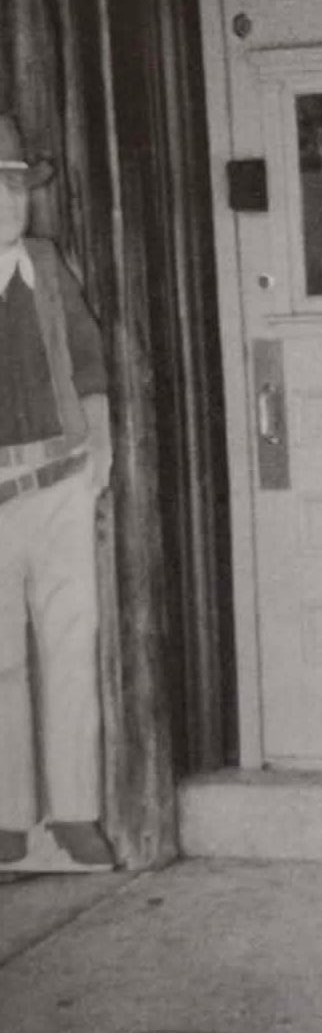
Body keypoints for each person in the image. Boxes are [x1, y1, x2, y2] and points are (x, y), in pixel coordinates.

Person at [0, 115, 114, 868]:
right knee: (0, 659)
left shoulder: (45, 264)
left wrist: (98, 450)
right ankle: (7, 817)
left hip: (61, 481)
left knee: (72, 646)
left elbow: (89, 359)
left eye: (16, 188)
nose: (11, 203)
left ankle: (76, 813)